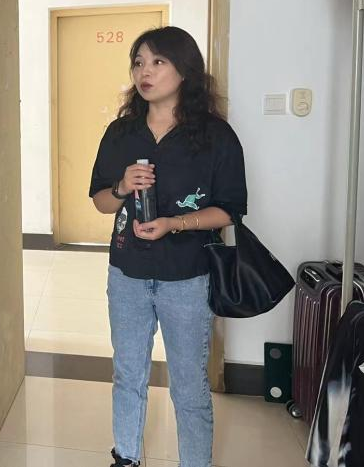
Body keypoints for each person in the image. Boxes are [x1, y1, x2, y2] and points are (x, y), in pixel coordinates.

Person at [89, 26, 247, 467]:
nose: (145, 71)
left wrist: (174, 223)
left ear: (185, 70)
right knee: (128, 375)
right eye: (139, 62)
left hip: (188, 277)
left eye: (158, 62)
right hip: (127, 273)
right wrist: (122, 186)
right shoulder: (121, 133)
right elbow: (101, 201)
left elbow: (230, 210)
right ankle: (126, 458)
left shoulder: (215, 136)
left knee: (189, 385)